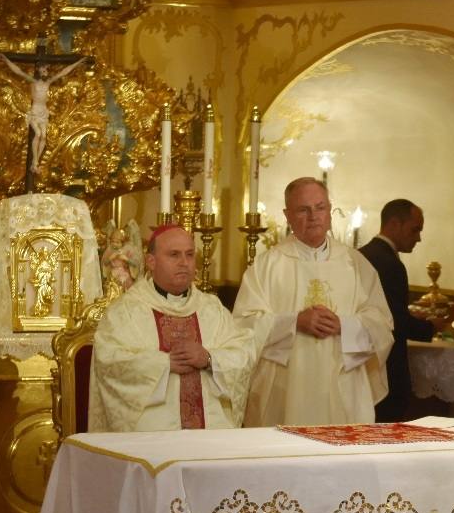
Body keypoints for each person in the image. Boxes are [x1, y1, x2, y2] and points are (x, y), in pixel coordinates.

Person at [233, 177, 393, 426]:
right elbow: (243, 327)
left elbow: (382, 324)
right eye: (303, 210)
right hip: (286, 388)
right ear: (287, 215)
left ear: (330, 211)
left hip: (345, 385)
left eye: (320, 208)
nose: (313, 216)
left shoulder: (356, 264)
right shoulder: (268, 266)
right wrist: (294, 322)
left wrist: (344, 325)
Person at [90, 224, 256, 431]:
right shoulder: (126, 311)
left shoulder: (212, 309)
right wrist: (164, 363)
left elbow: (243, 354)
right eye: (174, 255)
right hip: (151, 433)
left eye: (189, 255)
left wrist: (209, 359)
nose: (184, 263)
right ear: (151, 261)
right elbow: (109, 361)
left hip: (212, 430)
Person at [358, 199, 436, 422]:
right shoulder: (390, 263)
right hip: (388, 366)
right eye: (415, 229)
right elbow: (393, 321)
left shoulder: (360, 254)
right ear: (393, 224)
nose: (419, 237)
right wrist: (430, 327)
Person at [0, 51, 88, 173]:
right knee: (37, 134)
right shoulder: (33, 81)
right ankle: (34, 162)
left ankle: (36, 162)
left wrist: (78, 62)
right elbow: (18, 71)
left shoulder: (48, 82)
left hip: (44, 111)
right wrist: (6, 60)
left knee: (44, 136)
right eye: (44, 70)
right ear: (39, 70)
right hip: (35, 111)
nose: (46, 72)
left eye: (46, 71)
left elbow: (64, 72)